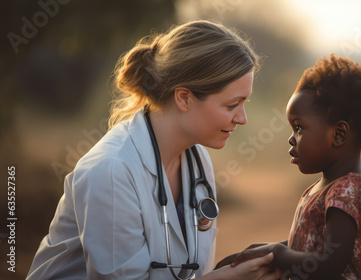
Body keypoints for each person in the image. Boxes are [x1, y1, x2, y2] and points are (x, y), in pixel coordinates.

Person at [27, 20, 277, 280]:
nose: (242, 118)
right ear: (184, 98)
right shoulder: (111, 170)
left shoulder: (197, 159)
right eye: (232, 105)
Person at [217, 54, 361, 279]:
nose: (291, 138)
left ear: (339, 134)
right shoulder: (325, 188)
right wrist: (264, 251)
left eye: (299, 127)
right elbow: (310, 247)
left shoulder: (350, 189)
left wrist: (277, 252)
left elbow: (329, 263)